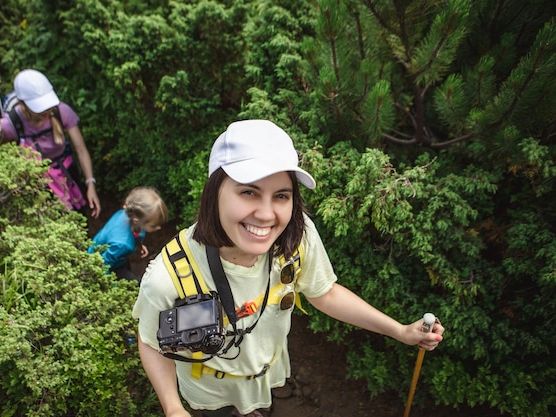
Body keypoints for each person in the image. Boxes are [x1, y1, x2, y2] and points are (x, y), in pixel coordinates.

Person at [132, 120, 445, 417]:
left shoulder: (295, 238)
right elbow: (149, 341)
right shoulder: (167, 278)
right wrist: (173, 407)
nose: (267, 215)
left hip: (268, 374)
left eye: (281, 195)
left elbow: (326, 293)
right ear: (214, 192)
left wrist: (400, 331)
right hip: (212, 393)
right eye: (248, 192)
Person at [0, 69, 101, 218]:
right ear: (23, 104)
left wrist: (90, 184)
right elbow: (3, 156)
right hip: (36, 181)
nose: (46, 111)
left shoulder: (62, 112)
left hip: (66, 173)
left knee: (79, 216)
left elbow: (81, 149)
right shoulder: (10, 125)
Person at [89, 186, 169, 284]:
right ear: (137, 220)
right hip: (103, 261)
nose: (158, 228)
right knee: (136, 284)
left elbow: (136, 232)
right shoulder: (123, 244)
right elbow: (102, 265)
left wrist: (139, 243)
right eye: (153, 226)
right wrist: (112, 287)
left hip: (115, 254)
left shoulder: (127, 213)